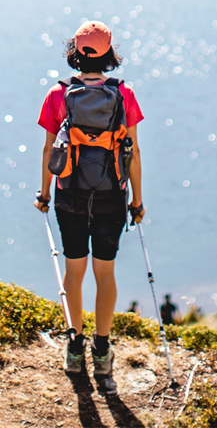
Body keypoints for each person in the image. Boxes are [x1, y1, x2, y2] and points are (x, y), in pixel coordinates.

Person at [34, 20, 145, 376]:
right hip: (112, 193)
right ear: (110, 54)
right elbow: (134, 152)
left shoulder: (57, 94)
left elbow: (50, 148)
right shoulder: (124, 94)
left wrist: (44, 193)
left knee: (74, 270)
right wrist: (137, 202)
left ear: (75, 53)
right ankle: (102, 349)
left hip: (70, 194)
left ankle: (74, 346)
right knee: (105, 273)